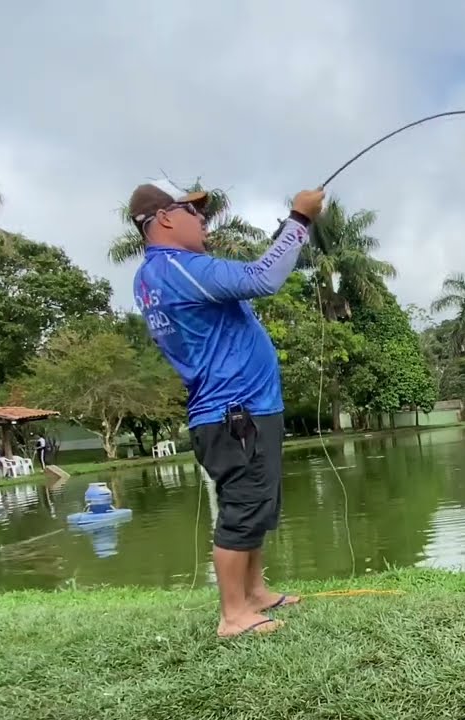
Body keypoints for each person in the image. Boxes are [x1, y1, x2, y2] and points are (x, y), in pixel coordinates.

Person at [130, 181, 324, 638]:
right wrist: (300, 219)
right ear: (164, 219)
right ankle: (233, 615)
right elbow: (262, 279)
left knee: (256, 502)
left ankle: (254, 593)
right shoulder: (179, 268)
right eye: (192, 212)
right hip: (235, 412)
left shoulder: (154, 275)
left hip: (242, 410)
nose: (203, 220)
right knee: (243, 506)